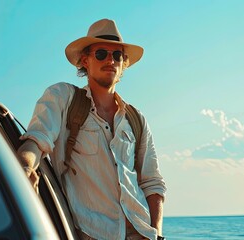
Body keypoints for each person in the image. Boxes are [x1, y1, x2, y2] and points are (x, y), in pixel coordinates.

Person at [17, 19, 166, 240]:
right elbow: (37, 140)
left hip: (143, 233)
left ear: (123, 63)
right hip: (92, 233)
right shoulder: (63, 98)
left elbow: (152, 183)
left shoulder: (136, 119)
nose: (110, 60)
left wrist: (157, 234)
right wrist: (24, 166)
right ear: (85, 60)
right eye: (101, 53)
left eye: (117, 56)